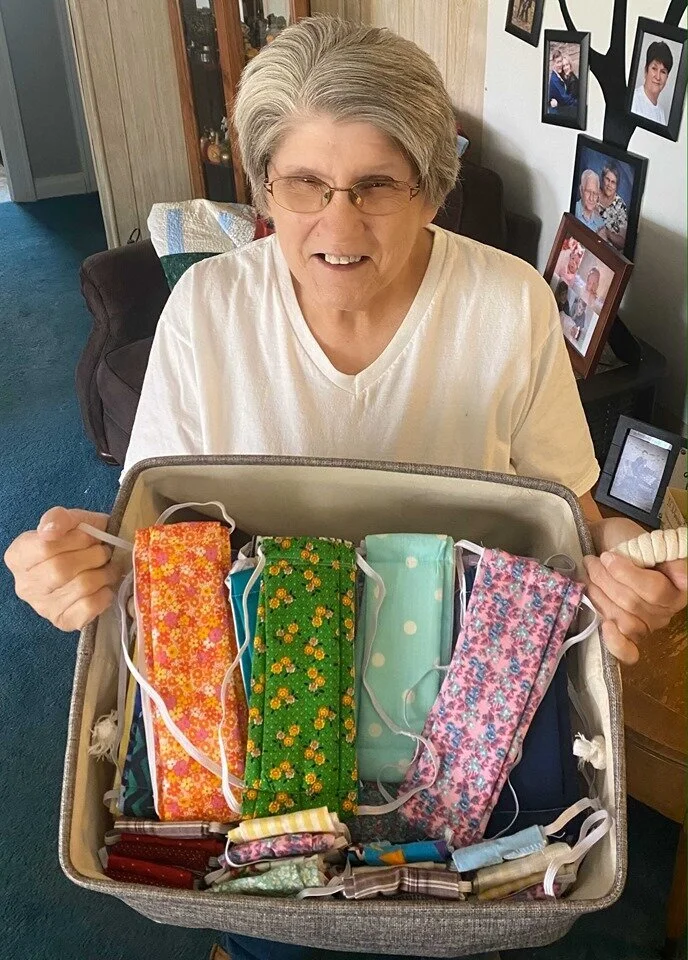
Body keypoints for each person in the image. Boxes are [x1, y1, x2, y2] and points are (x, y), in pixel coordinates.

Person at [5, 17, 686, 960]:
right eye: (304, 185)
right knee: (272, 943)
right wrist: (71, 563)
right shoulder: (206, 312)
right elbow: (148, 534)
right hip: (251, 742)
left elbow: (570, 515)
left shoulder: (509, 303)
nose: (336, 224)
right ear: (262, 186)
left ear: (430, 189)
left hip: (473, 753)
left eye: (374, 186)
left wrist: (618, 568)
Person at [631, 39, 673, 124]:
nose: (658, 77)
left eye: (663, 72)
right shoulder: (633, 100)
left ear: (667, 78)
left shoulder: (661, 114)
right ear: (646, 70)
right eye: (654, 68)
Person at [597, 161, 628, 253]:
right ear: (602, 178)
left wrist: (607, 233)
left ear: (617, 185)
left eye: (613, 182)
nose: (609, 185)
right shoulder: (594, 192)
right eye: (607, 179)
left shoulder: (620, 205)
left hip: (607, 252)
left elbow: (623, 243)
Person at [548, 47, 578, 117]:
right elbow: (566, 99)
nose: (560, 64)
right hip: (557, 114)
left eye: (561, 61)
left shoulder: (561, 74)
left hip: (564, 109)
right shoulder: (554, 80)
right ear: (553, 63)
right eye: (557, 62)